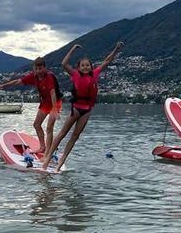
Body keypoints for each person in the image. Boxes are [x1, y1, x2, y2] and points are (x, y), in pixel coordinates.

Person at [42, 42, 124, 172]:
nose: (85, 67)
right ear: (78, 67)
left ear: (91, 67)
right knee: (62, 133)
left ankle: (61, 161)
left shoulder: (95, 74)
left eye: (87, 65)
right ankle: (47, 160)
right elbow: (64, 64)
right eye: (83, 66)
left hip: (86, 111)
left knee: (75, 136)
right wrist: (72, 50)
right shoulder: (75, 75)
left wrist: (116, 49)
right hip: (75, 109)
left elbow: (107, 60)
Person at [0, 57, 62, 156]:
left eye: (40, 68)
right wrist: (2, 86)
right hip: (45, 103)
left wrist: (54, 109)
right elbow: (17, 81)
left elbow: (52, 93)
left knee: (49, 127)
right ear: (34, 68)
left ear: (45, 67)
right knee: (36, 124)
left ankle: (47, 154)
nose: (38, 71)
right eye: (36, 69)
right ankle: (42, 147)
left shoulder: (49, 77)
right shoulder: (33, 76)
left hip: (55, 102)